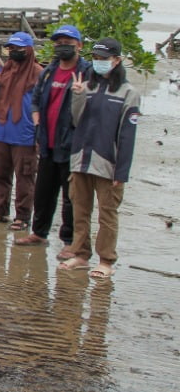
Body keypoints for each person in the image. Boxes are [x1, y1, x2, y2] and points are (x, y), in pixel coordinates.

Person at [58, 38, 141, 278]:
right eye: (96, 58)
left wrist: (121, 172)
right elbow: (75, 121)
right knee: (80, 210)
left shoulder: (128, 93)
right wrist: (78, 96)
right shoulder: (87, 86)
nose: (99, 63)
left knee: (107, 214)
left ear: (117, 60)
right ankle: (81, 255)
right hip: (81, 158)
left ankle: (106, 260)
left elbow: (127, 136)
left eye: (104, 59)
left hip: (108, 162)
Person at [16, 25, 92, 248]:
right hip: (47, 141)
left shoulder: (86, 72)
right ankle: (39, 233)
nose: (62, 46)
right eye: (58, 43)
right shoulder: (49, 70)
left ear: (79, 45)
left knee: (71, 197)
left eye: (67, 42)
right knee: (43, 192)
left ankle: (69, 242)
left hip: (71, 144)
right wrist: (38, 121)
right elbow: (37, 98)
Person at [0, 31, 41, 231]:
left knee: (25, 178)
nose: (14, 52)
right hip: (1, 131)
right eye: (11, 48)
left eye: (19, 49)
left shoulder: (38, 74)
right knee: (0, 174)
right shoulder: (6, 71)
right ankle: (0, 210)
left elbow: (42, 105)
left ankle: (23, 216)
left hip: (25, 134)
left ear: (28, 50)